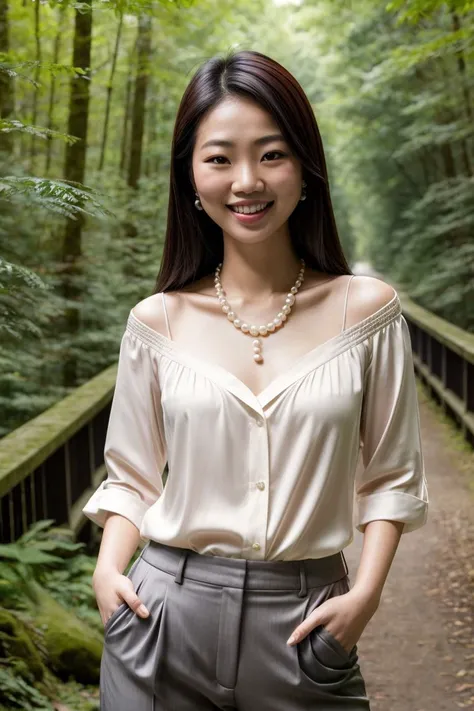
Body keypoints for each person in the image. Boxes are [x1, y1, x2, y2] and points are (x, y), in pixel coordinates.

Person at [82, 49, 429, 710]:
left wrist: (366, 596)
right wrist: (106, 573)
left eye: (271, 154)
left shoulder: (368, 311)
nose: (247, 180)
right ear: (190, 173)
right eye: (219, 158)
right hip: (160, 619)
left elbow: (390, 476)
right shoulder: (156, 320)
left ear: (305, 167)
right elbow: (130, 476)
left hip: (305, 625)